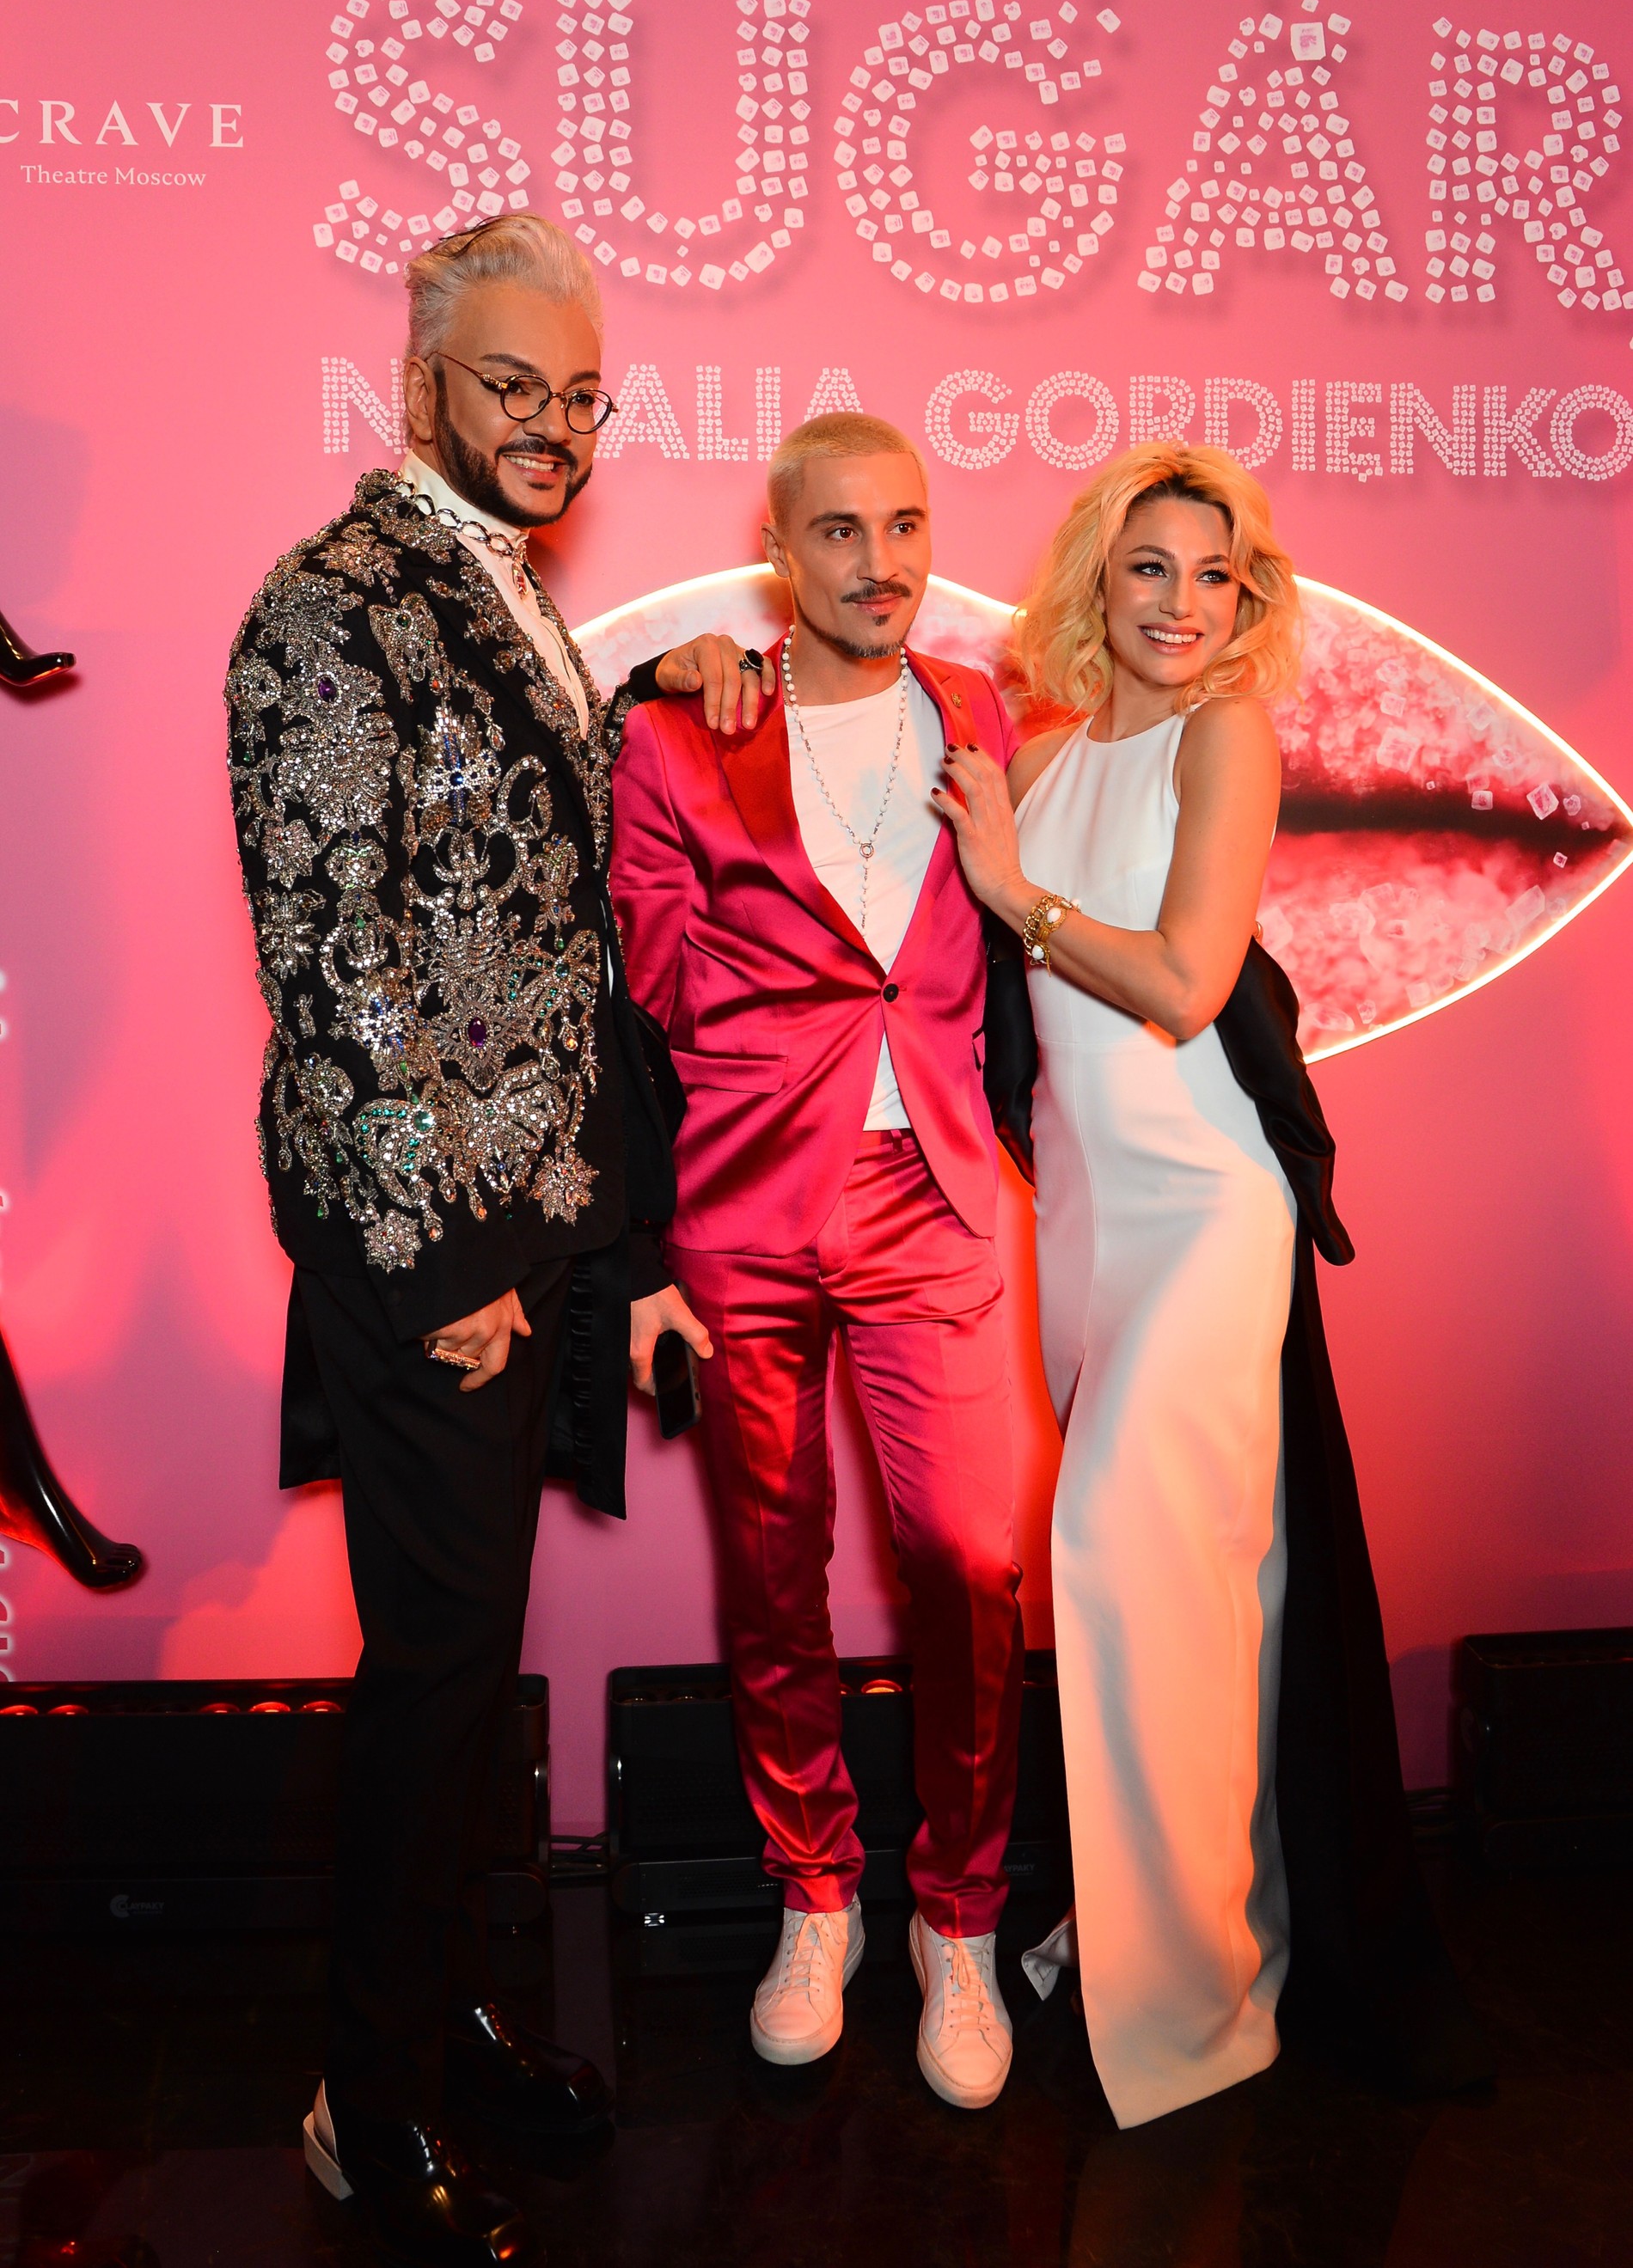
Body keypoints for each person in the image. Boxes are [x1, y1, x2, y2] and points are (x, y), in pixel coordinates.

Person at [226, 211, 755, 2265]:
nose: (552, 424)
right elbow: (335, 958)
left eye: (580, 394)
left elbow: (500, 825)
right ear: (421, 383)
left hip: (534, 1232)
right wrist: (445, 1265)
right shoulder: (327, 603)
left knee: (466, 1676)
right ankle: (362, 2106)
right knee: (429, 1687)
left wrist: (644, 692)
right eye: (514, 386)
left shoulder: (502, 586)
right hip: (429, 1250)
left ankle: (444, 2027)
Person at [933, 443, 1441, 2127]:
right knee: (1183, 1594)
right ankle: (1174, 1932)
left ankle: (1197, 2002)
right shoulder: (1047, 754)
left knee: (1127, 1557)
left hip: (1211, 1208)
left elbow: (1180, 982)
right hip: (1087, 1223)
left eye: (1210, 574)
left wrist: (1013, 893)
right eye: (1147, 565)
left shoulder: (1229, 736)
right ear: (1100, 576)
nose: (1178, 602)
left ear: (1244, 599)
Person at [610, 414, 1025, 2110]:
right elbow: (641, 989)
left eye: (904, 524)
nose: (880, 560)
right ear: (782, 551)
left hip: (933, 1189)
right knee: (772, 1573)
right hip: (743, 1205)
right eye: (840, 530)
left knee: (969, 1567)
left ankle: (960, 1917)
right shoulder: (685, 729)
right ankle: (815, 1893)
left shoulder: (979, 710)